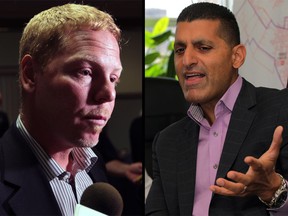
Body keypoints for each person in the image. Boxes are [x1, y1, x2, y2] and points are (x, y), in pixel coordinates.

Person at [145, 2, 288, 216]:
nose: (187, 60)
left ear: (236, 56)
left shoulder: (280, 110)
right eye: (180, 50)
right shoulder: (167, 142)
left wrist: (274, 192)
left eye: (203, 48)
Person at [0, 3, 122, 216]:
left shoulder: (94, 169)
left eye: (113, 79)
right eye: (85, 72)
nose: (108, 93)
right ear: (30, 75)